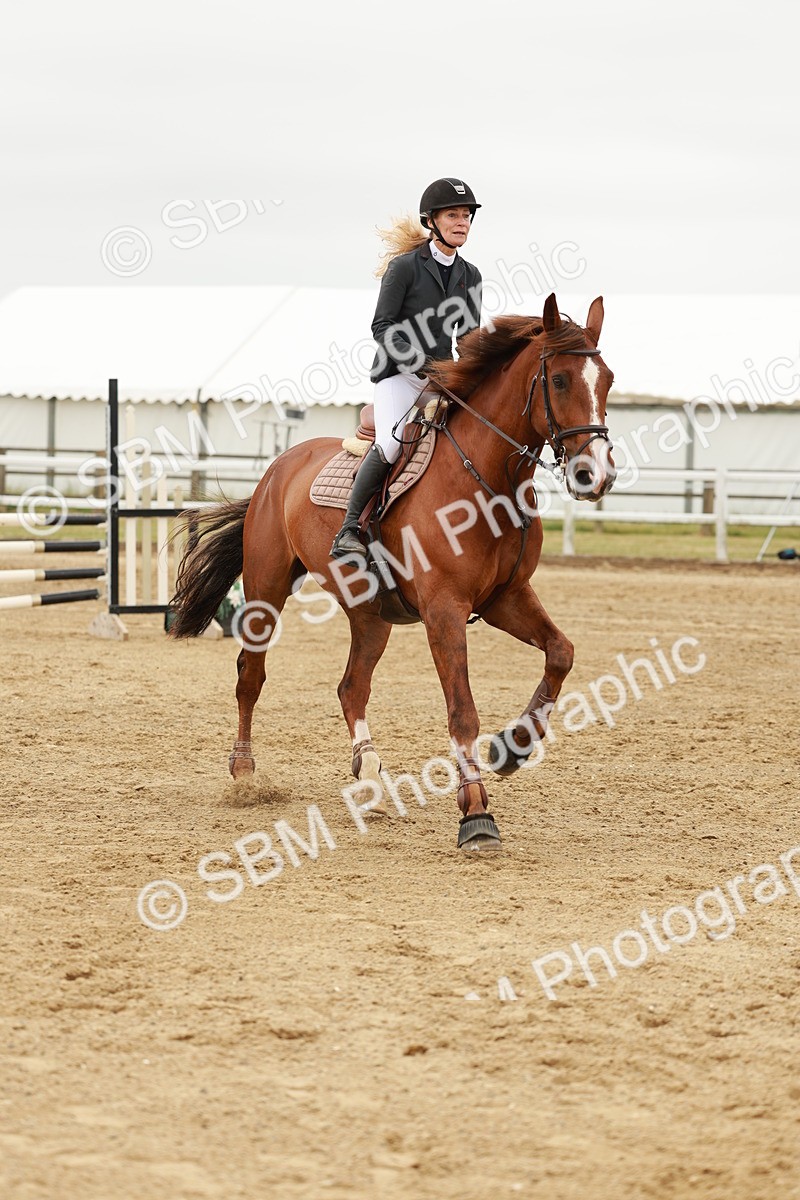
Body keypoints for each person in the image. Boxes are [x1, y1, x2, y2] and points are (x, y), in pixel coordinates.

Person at [330, 177, 483, 558]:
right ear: (431, 221)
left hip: (442, 378)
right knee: (391, 443)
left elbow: (468, 337)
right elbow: (381, 327)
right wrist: (418, 364)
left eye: (466, 215)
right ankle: (349, 529)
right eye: (453, 215)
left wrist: (477, 370)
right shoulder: (404, 269)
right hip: (398, 374)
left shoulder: (471, 275)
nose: (461, 222)